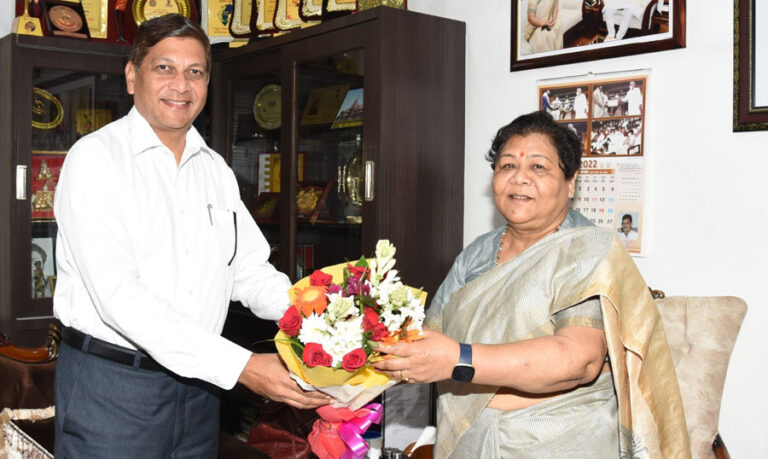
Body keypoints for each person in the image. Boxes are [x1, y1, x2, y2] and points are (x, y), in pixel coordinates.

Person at [53, 14, 329, 457]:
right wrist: (242, 366)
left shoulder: (216, 170)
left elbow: (247, 270)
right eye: (164, 67)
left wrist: (317, 314)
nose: (181, 85)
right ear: (132, 76)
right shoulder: (95, 160)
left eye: (195, 72)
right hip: (114, 389)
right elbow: (119, 297)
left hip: (201, 388)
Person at [374, 111, 689, 458]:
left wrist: (459, 359)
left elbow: (579, 360)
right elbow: (426, 341)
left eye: (538, 167)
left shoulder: (589, 250)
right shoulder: (477, 254)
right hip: (465, 436)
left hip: (559, 439)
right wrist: (342, 368)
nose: (519, 178)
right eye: (507, 165)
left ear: (571, 183)